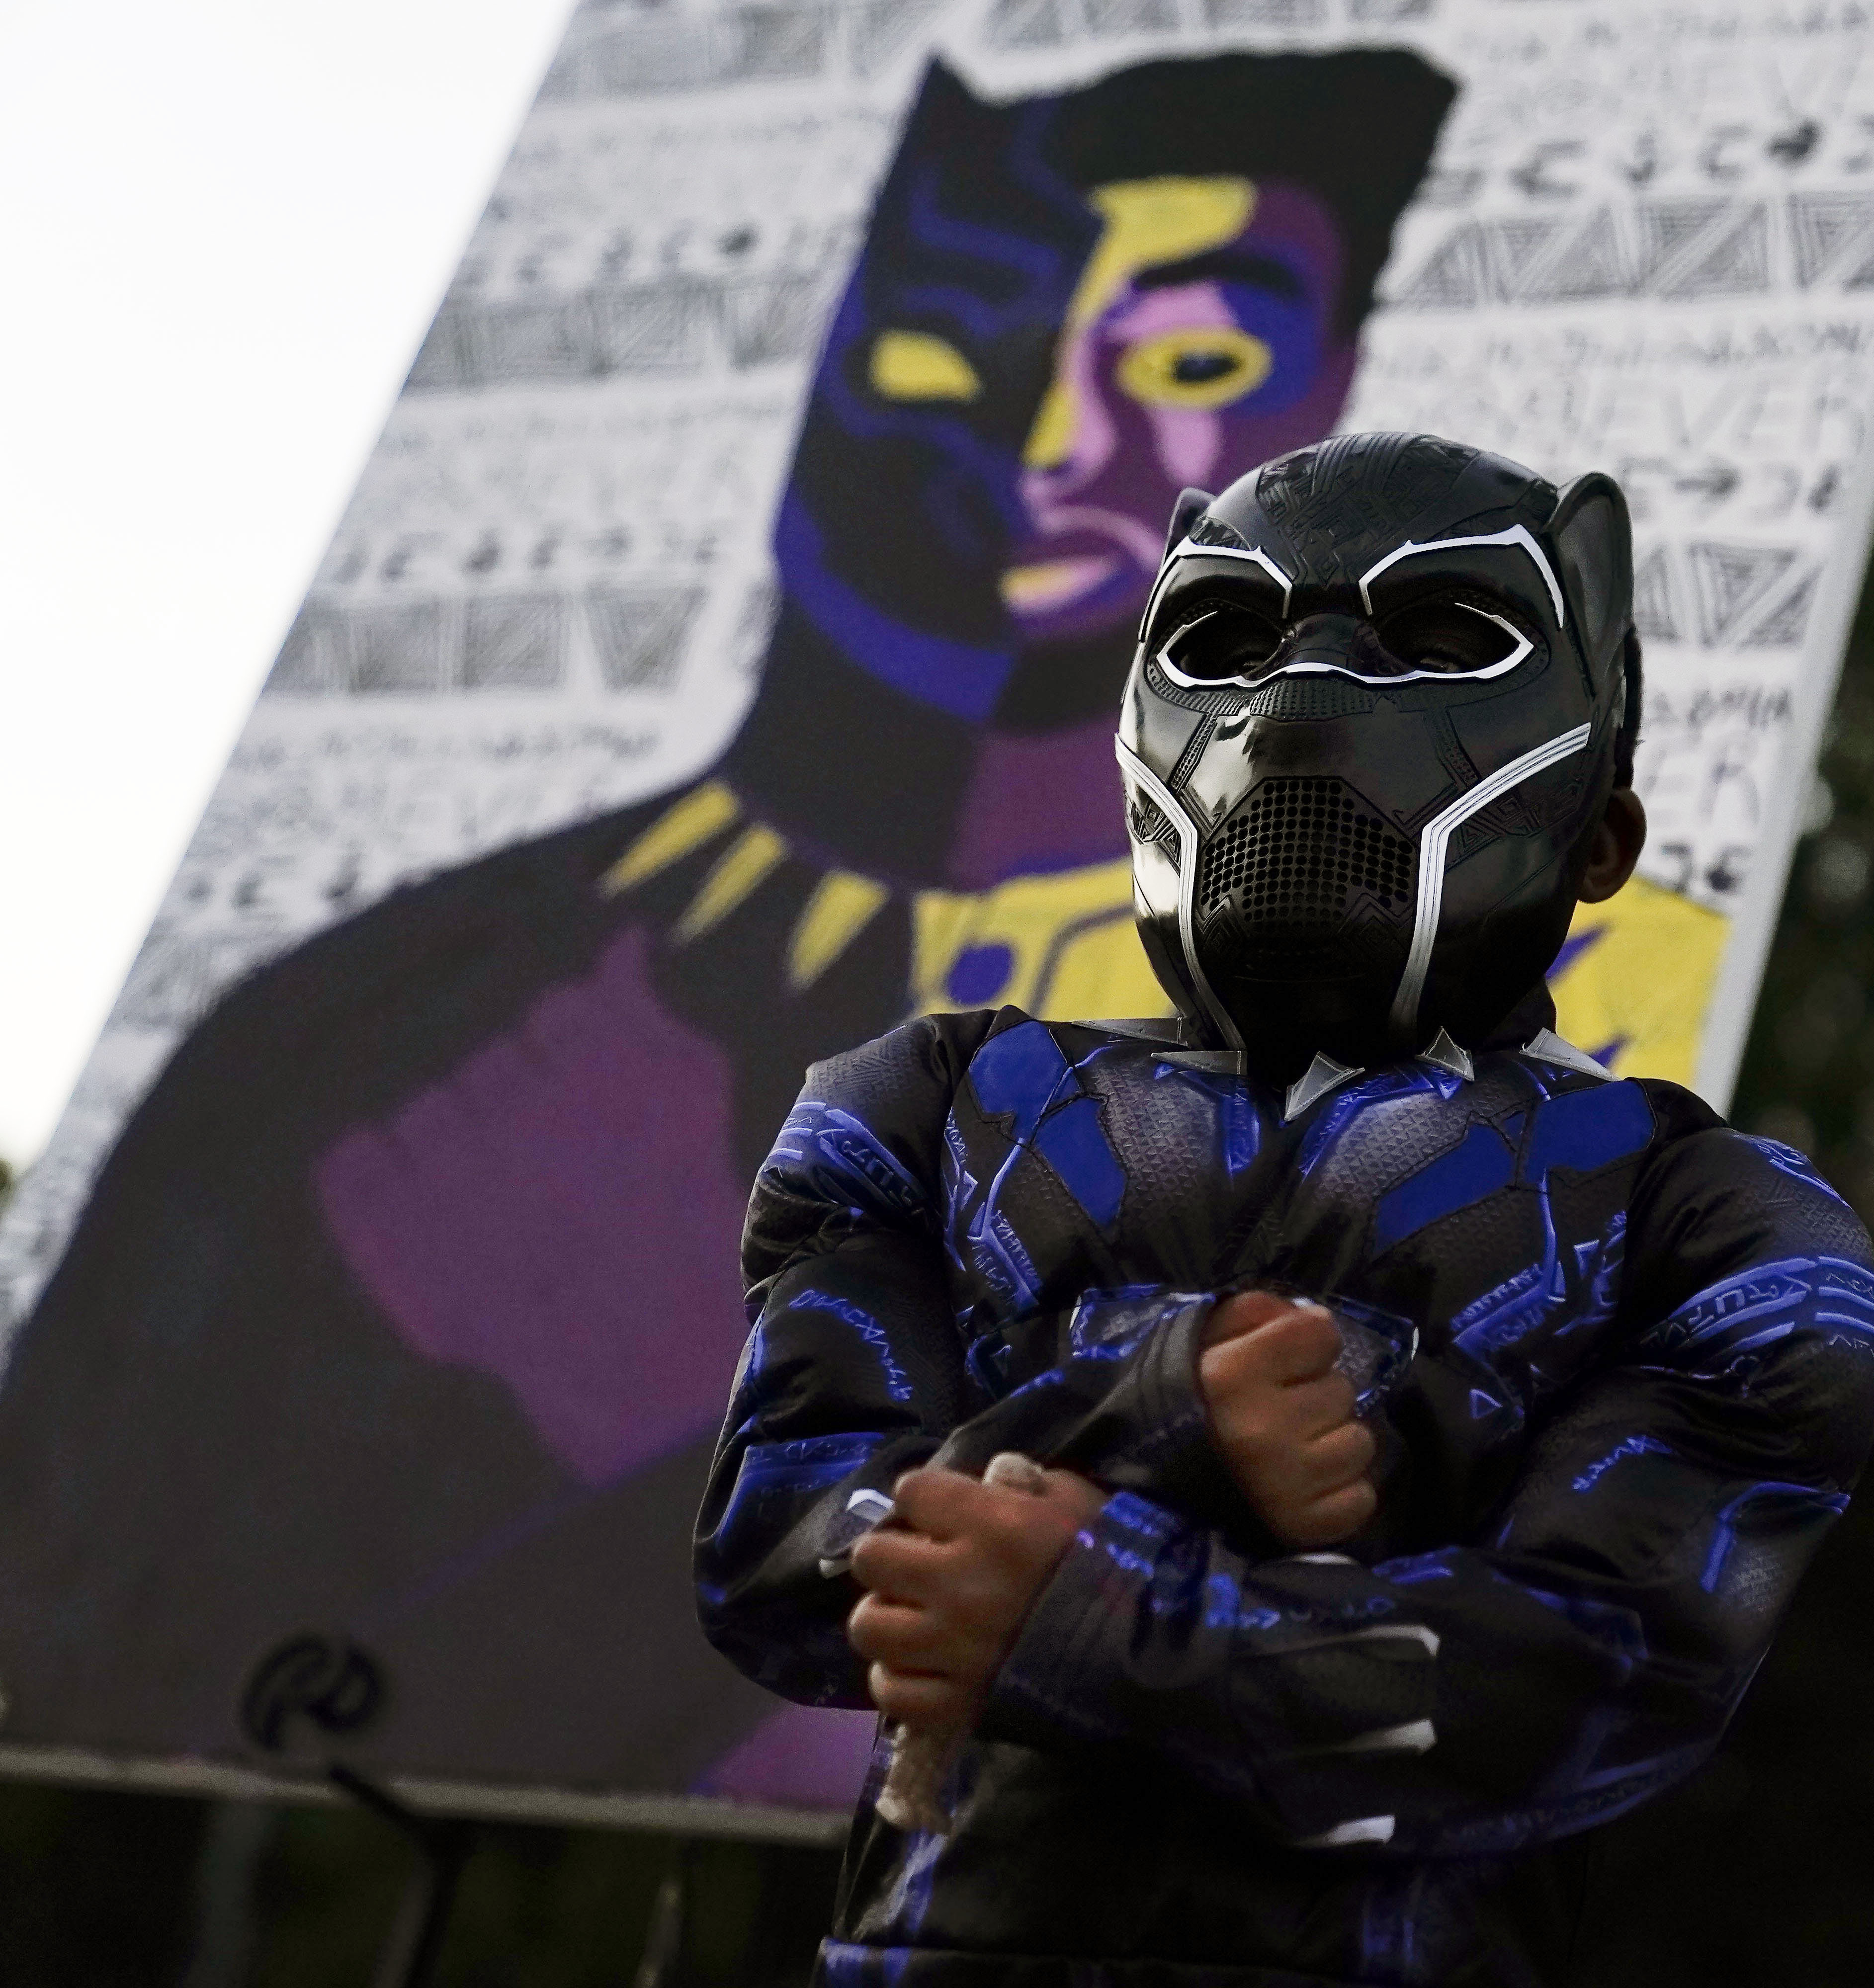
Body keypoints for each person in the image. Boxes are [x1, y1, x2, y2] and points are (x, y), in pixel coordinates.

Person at [0, 50, 1456, 1802]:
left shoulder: (1439, 1085)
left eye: (1194, 363)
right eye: (948, 347)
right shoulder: (366, 1032)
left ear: (1333, 399)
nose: (1054, 440)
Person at [697, 433, 1874, 1984]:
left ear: (1601, 836)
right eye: (1233, 636)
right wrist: (1151, 1412)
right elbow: (777, 1551)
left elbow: (1591, 1682)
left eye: (1441, 637)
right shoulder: (916, 1106)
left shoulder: (1721, 1226)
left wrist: (1100, 1611)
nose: (1305, 700)